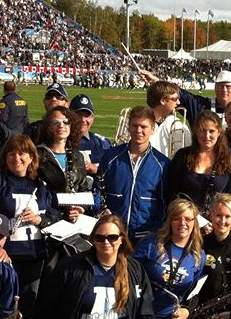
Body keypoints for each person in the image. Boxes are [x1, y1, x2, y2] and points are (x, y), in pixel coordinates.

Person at [0, 134, 61, 319]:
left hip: (34, 255)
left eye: (22, 153)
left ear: (32, 157)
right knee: (1, 305)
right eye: (11, 153)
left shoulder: (40, 185)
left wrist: (40, 218)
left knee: (28, 305)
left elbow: (54, 214)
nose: (17, 158)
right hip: (6, 256)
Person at [132, 199, 207, 319]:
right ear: (169, 221)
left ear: (194, 223)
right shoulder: (151, 243)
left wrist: (186, 310)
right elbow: (129, 272)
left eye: (188, 219)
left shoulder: (199, 256)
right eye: (177, 218)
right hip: (141, 318)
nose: (183, 223)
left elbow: (194, 292)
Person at [99, 105, 170, 240]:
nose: (138, 130)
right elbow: (97, 188)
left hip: (144, 236)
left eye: (143, 127)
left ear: (153, 129)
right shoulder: (111, 157)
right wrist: (102, 211)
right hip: (113, 234)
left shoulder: (162, 164)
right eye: (134, 125)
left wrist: (155, 230)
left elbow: (165, 202)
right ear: (128, 127)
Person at [167, 110, 231, 214]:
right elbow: (173, 194)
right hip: (186, 220)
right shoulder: (182, 156)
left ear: (219, 132)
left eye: (211, 131)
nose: (207, 136)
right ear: (196, 131)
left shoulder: (229, 159)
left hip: (218, 223)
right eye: (202, 130)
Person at [37, 105, 89, 221]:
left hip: (74, 220)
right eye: (56, 122)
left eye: (66, 122)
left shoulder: (78, 156)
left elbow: (83, 189)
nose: (61, 125)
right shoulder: (37, 155)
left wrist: (80, 208)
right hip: (48, 217)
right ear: (48, 126)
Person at [147, 79, 191, 157]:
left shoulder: (178, 126)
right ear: (163, 101)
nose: (178, 102)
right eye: (175, 99)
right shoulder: (138, 123)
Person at [71, 93, 112, 174]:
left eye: (87, 115)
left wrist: (96, 169)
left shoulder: (102, 144)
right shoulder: (60, 141)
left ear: (93, 118)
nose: (83, 119)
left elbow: (113, 173)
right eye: (78, 115)